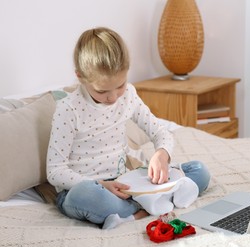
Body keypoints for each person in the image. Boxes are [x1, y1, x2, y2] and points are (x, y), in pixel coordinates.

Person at [46, 27, 210, 229]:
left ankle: (136, 209)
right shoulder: (68, 109)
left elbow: (160, 132)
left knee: (199, 171)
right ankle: (147, 206)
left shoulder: (129, 95)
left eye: (120, 85)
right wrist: (101, 185)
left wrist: (162, 154)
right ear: (80, 76)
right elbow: (55, 172)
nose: (113, 97)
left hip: (125, 183)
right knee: (85, 195)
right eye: (102, 90)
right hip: (88, 189)